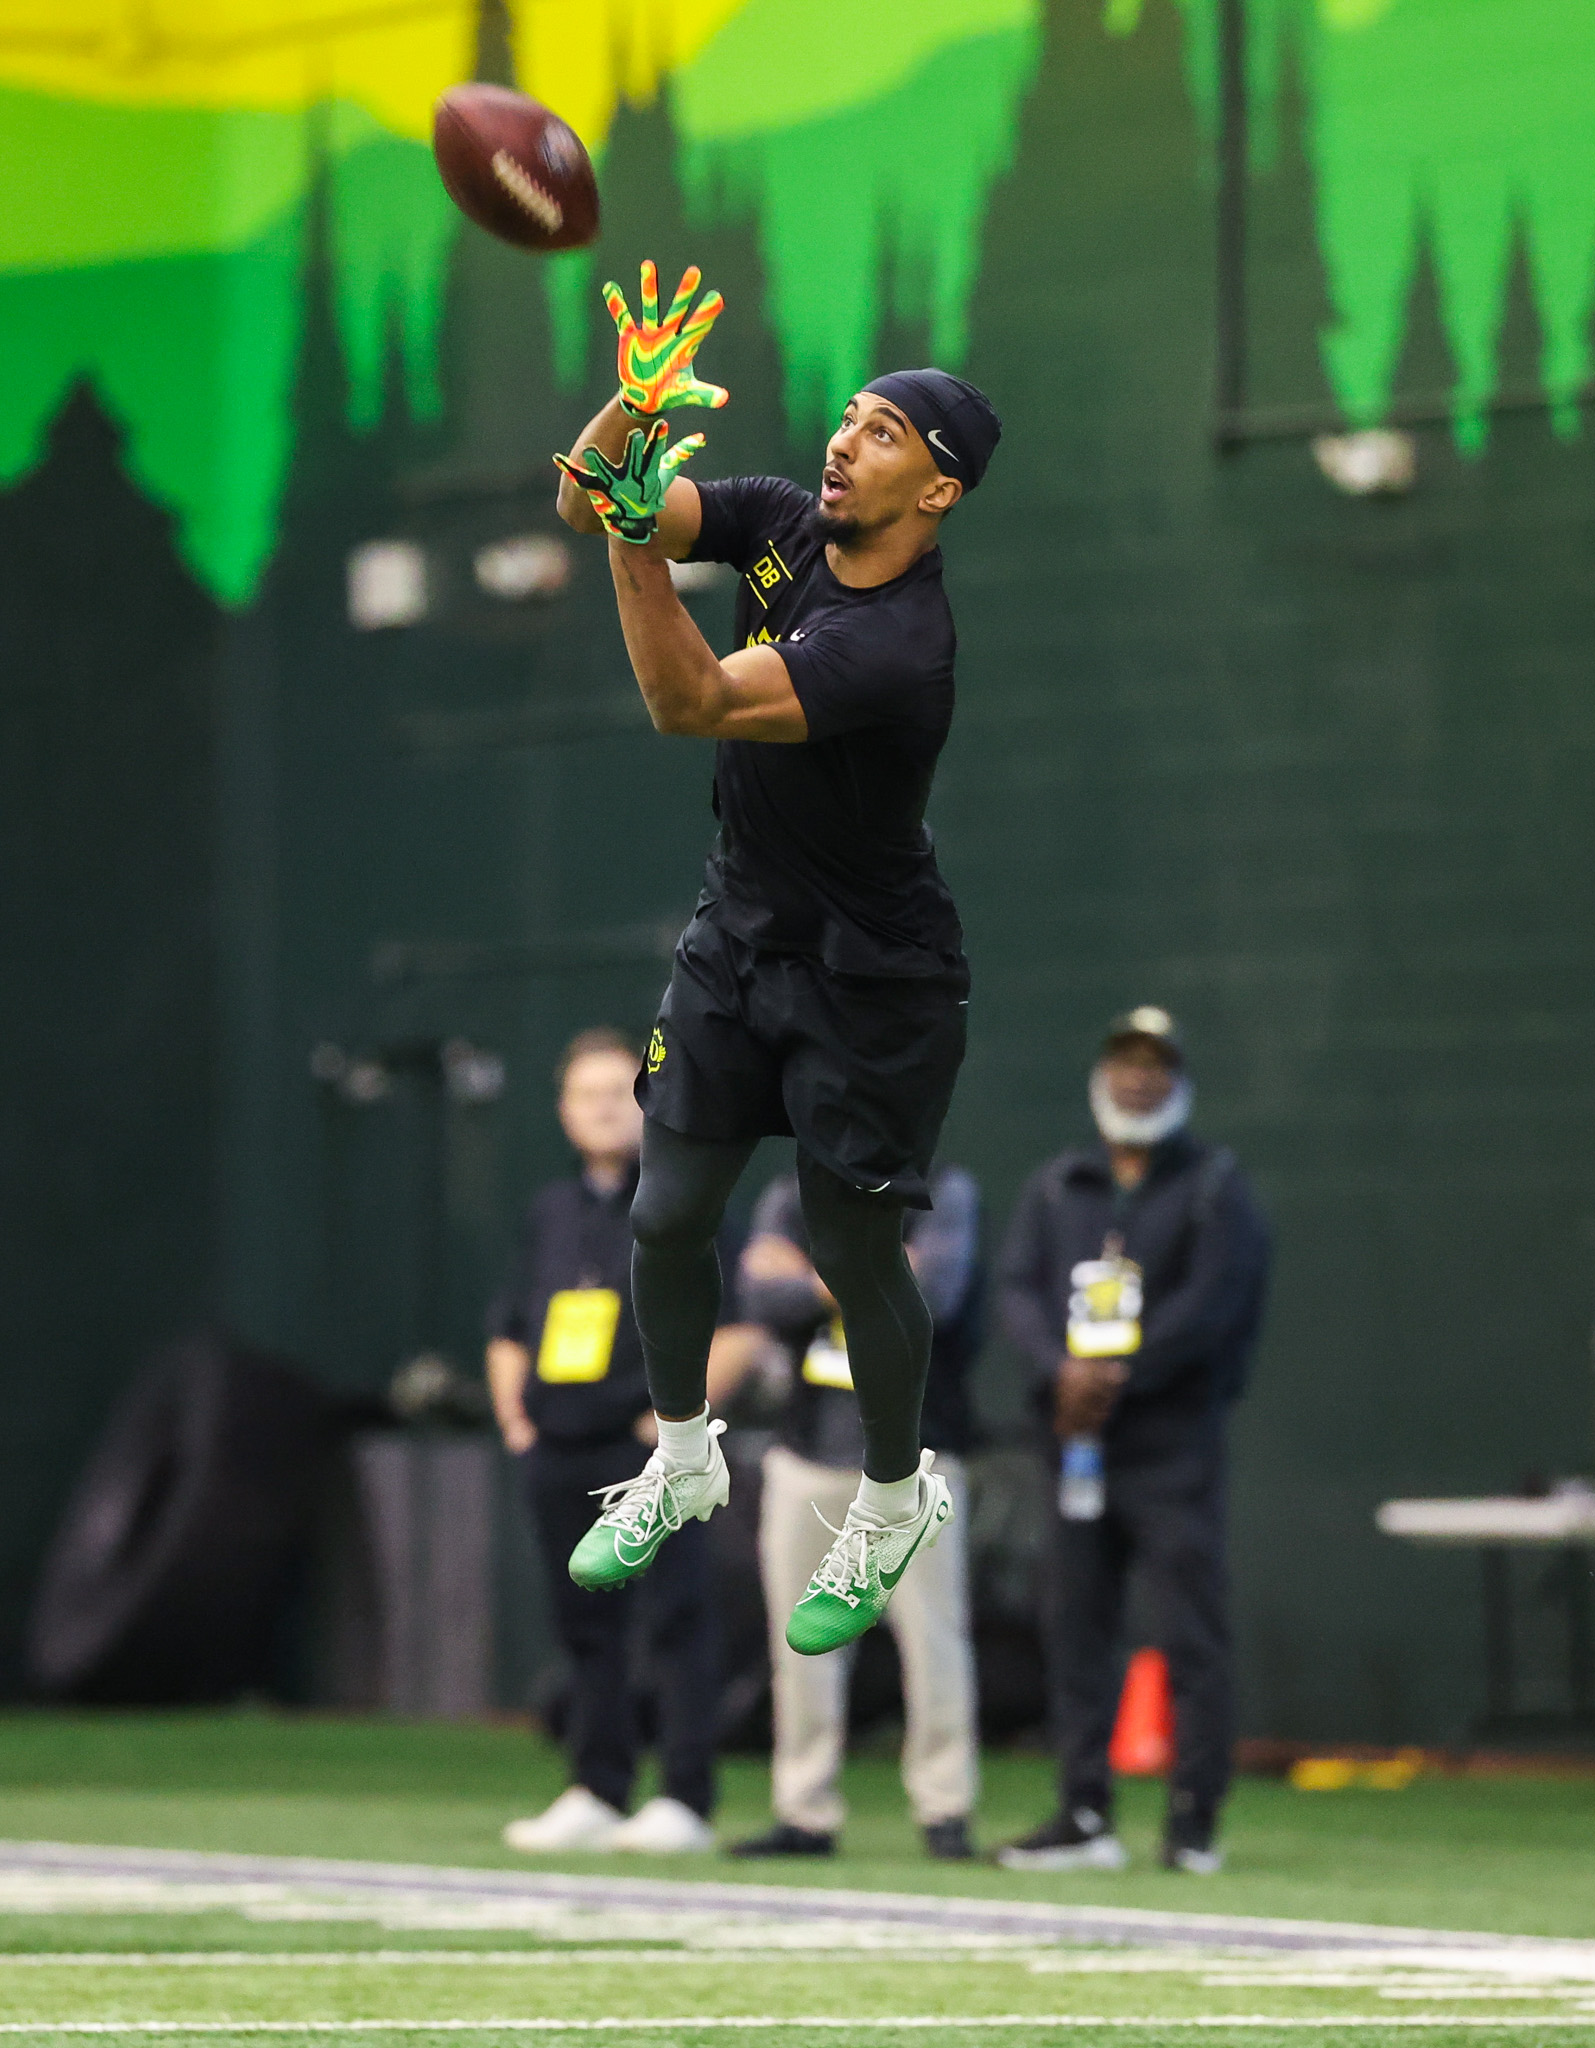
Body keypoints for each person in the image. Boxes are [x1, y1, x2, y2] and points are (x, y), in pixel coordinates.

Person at [550, 261, 1002, 1655]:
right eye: (849, 415)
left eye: (883, 433)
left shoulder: (899, 646)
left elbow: (687, 697)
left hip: (873, 977)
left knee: (849, 1248)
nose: (844, 440)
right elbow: (586, 500)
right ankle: (685, 1455)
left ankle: (893, 1495)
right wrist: (631, 412)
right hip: (737, 931)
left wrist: (633, 542)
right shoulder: (781, 521)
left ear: (936, 491)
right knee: (664, 1212)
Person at [995, 1008, 1270, 1875]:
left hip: (1171, 1445)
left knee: (1190, 1631)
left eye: (1155, 1067)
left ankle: (1193, 1821)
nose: (1138, 1081)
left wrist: (1123, 1372)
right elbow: (1018, 1289)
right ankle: (1083, 1813)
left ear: (1178, 1081)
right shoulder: (1059, 1185)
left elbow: (1214, 1302)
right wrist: (1062, 1372)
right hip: (1076, 1442)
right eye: (1124, 1064)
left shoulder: (1214, 1185)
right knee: (1076, 1627)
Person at [486, 1027, 763, 1854]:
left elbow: (742, 1329)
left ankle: (684, 1798)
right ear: (564, 1111)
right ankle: (597, 1787)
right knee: (584, 1625)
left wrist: (673, 1424)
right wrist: (517, 1418)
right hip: (560, 1446)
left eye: (620, 1092)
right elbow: (510, 1325)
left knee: (675, 1618)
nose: (603, 1109)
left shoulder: (691, 1197)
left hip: (651, 1453)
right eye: (586, 1094)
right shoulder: (551, 1210)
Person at [730, 1162, 985, 1862]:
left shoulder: (942, 1187)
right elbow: (759, 1296)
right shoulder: (792, 1191)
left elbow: (934, 1292)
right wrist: (874, 1267)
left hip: (915, 1458)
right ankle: (804, 1810)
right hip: (807, 1453)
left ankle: (945, 1808)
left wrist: (813, 1272)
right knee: (803, 1644)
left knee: (933, 1642)